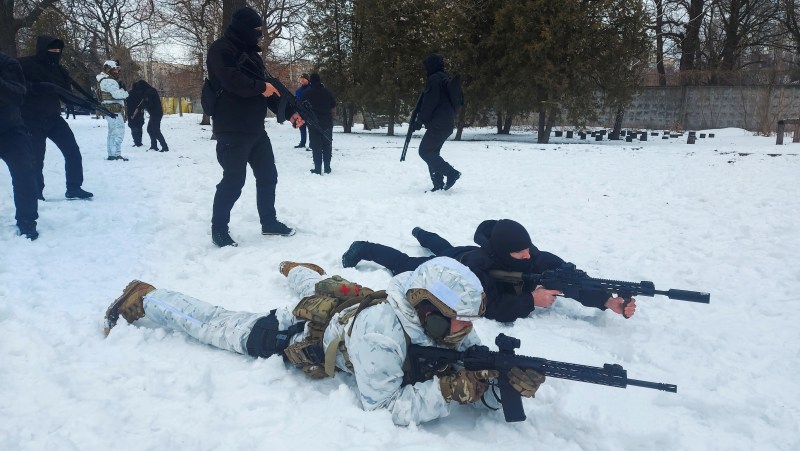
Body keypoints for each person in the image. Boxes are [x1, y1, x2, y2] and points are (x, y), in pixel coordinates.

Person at [102, 257, 545, 426]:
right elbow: (383, 405)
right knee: (220, 326)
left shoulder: (452, 324)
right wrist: (450, 390)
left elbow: (471, 369)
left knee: (325, 285)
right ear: (427, 308)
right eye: (457, 320)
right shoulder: (382, 333)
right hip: (301, 331)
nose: (465, 330)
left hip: (347, 305)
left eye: (469, 321)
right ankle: (148, 298)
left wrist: (496, 383)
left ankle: (296, 269)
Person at [342, 219, 637, 323]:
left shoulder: (531, 255)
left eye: (528, 249)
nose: (528, 256)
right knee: (408, 263)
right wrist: (531, 300)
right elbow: (490, 307)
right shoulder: (479, 266)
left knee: (441, 244)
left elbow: (570, 277)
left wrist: (606, 300)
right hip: (456, 265)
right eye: (520, 253)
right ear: (505, 252)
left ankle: (421, 232)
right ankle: (365, 247)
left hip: (461, 252)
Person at [206, 6, 305, 247]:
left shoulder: (252, 55)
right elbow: (231, 80)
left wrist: (289, 113)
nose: (259, 34)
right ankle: (219, 230)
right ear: (243, 28)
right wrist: (262, 87)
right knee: (233, 181)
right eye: (256, 29)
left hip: (256, 129)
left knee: (268, 176)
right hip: (231, 128)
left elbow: (267, 92)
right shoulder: (221, 49)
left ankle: (268, 222)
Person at [18, 35, 93, 200]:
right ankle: (36, 193)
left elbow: (66, 95)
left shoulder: (59, 70)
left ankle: (74, 187)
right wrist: (38, 88)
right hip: (31, 119)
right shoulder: (24, 64)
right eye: (52, 49)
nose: (56, 52)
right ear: (42, 49)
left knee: (72, 151)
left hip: (53, 118)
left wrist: (85, 103)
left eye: (59, 50)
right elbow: (16, 85)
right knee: (36, 158)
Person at [0, 52, 40, 240]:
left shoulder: (8, 64)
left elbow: (18, 94)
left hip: (10, 129)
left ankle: (27, 220)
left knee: (25, 172)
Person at [413, 53, 460, 192]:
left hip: (439, 124)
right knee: (432, 153)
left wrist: (419, 121)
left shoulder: (434, 79)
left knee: (425, 151)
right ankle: (438, 184)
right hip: (446, 123)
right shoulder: (444, 78)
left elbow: (429, 103)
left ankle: (451, 173)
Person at [300, 73, 336, 174]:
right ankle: (327, 167)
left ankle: (317, 168)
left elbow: (301, 106)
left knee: (316, 146)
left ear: (310, 81)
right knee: (327, 145)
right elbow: (333, 104)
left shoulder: (306, 93)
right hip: (327, 122)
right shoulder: (327, 92)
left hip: (313, 123)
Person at [96, 60, 129, 161]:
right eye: (115, 69)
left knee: (112, 132)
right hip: (114, 111)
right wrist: (126, 92)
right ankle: (115, 154)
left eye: (118, 69)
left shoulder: (103, 80)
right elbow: (117, 95)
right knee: (118, 132)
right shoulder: (109, 81)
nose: (117, 71)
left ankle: (113, 153)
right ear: (109, 69)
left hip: (110, 110)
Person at [134, 80, 168, 152]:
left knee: (155, 130)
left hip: (156, 113)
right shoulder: (150, 90)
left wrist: (142, 107)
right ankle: (154, 146)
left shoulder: (149, 92)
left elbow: (150, 103)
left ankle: (164, 147)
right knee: (150, 129)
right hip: (155, 113)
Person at [126, 81, 146, 147]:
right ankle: (139, 142)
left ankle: (136, 141)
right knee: (139, 127)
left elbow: (126, 103)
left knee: (133, 127)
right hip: (140, 113)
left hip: (131, 113)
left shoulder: (129, 94)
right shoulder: (142, 94)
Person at [294, 73, 309, 149]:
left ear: (307, 79)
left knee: (312, 129)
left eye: (304, 78)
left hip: (310, 112)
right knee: (302, 128)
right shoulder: (298, 90)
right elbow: (296, 100)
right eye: (301, 78)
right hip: (301, 112)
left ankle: (313, 144)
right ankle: (302, 143)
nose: (302, 80)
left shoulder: (311, 88)